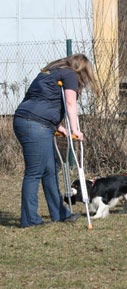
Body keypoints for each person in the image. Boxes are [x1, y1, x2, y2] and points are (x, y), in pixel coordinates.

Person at [13, 53, 98, 228]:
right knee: (34, 172)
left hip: (29, 121)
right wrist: (75, 129)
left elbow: (43, 99)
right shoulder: (69, 75)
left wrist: (57, 125)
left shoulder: (49, 72)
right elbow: (70, 103)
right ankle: (29, 220)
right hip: (35, 124)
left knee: (50, 170)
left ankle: (59, 213)